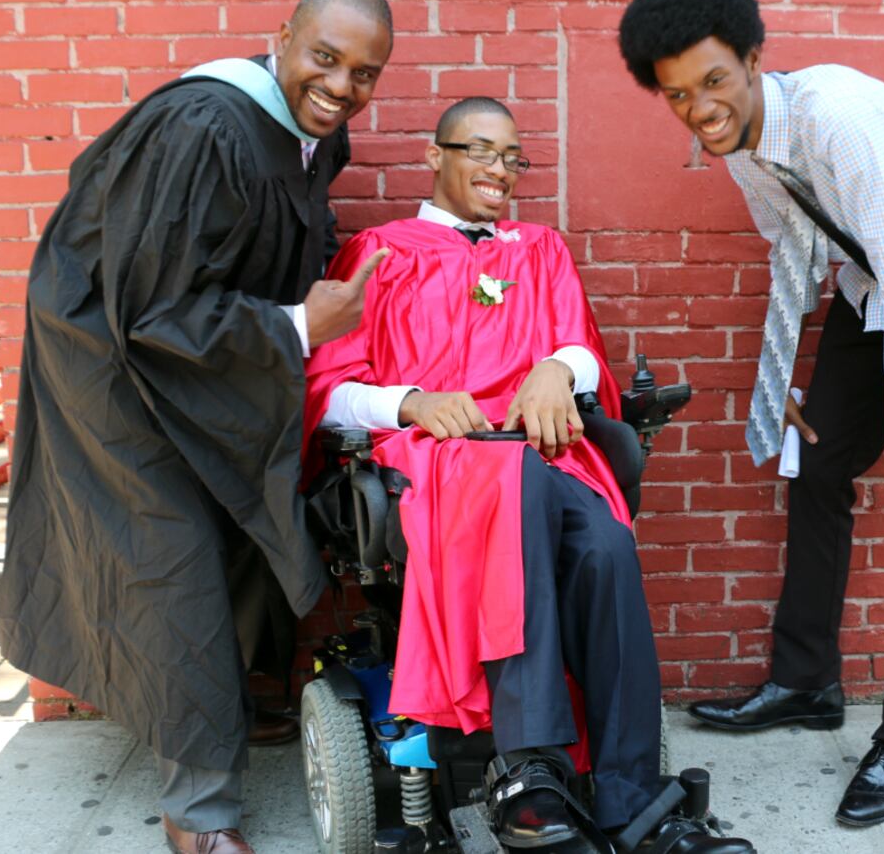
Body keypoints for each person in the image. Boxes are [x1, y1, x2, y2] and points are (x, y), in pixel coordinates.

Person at [0, 0, 393, 854]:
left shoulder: (305, 131)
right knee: (171, 557)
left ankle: (237, 700)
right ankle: (199, 814)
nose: (340, 85)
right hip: (118, 366)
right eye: (325, 57)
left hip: (206, 352)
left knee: (255, 507)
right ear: (283, 37)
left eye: (365, 72)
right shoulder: (206, 125)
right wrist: (299, 324)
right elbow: (149, 306)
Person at [305, 97, 755, 854]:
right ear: (435, 154)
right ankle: (529, 773)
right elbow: (327, 390)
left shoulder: (538, 250)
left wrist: (556, 365)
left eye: (512, 157)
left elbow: (582, 348)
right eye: (480, 150)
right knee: (519, 484)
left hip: (542, 453)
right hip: (440, 461)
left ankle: (636, 803)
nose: (498, 170)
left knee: (607, 548)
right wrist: (409, 400)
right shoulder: (382, 252)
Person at [618, 0, 884, 830]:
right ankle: (806, 681)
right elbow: (792, 254)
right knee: (817, 463)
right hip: (876, 287)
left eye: (714, 81)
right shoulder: (743, 142)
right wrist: (784, 384)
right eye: (677, 95)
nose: (700, 108)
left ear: (754, 59)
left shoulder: (838, 118)